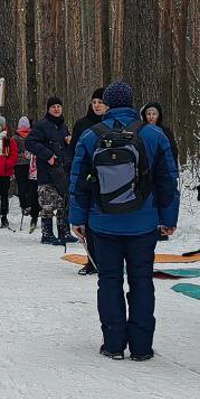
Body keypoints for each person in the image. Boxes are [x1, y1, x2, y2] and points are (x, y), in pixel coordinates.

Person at [69, 81, 180, 361]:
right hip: (143, 223)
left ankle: (113, 344)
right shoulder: (154, 134)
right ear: (132, 103)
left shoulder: (91, 136)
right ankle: (141, 347)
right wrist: (168, 218)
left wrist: (77, 219)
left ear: (106, 104)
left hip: (102, 222)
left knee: (109, 281)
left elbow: (78, 181)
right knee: (142, 281)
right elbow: (168, 179)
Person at [69, 90, 109, 274]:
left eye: (101, 101)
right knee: (90, 222)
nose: (97, 105)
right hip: (89, 180)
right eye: (94, 102)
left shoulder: (113, 124)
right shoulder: (82, 125)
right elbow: (74, 154)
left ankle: (109, 259)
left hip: (111, 179)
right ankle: (92, 260)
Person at [28, 97, 75, 245]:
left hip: (62, 171)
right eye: (53, 106)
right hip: (46, 171)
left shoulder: (63, 126)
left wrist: (69, 143)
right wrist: (47, 155)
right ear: (48, 109)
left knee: (63, 202)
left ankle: (64, 232)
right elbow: (30, 143)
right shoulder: (41, 125)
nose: (56, 109)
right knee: (48, 204)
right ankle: (47, 234)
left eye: (59, 106)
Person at [141, 102, 180, 171]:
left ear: (158, 115)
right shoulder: (140, 131)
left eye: (154, 114)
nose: (151, 117)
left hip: (163, 170)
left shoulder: (166, 132)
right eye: (148, 114)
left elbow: (173, 152)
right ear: (145, 116)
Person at [13, 115, 38, 225]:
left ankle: (26, 205)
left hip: (22, 164)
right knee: (28, 186)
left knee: (23, 186)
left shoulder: (15, 137)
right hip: (27, 164)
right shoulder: (30, 136)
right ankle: (28, 204)